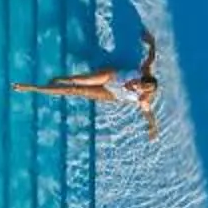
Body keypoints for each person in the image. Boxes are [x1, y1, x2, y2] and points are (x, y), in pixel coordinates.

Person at [14, 30, 160, 140]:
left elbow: (148, 115)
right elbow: (151, 57)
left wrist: (152, 127)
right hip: (111, 76)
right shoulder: (145, 71)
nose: (135, 84)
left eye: (138, 87)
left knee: (75, 91)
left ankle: (31, 88)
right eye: (138, 81)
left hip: (113, 94)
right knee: (78, 81)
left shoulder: (143, 99)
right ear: (143, 77)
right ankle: (62, 78)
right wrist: (151, 42)